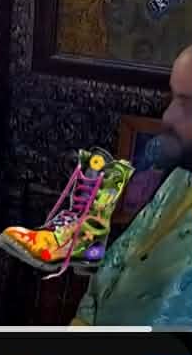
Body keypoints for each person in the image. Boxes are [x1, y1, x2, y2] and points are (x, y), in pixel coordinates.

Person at [72, 46, 192, 327]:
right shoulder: (180, 178)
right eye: (173, 98)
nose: (168, 117)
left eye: (188, 105)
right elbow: (113, 271)